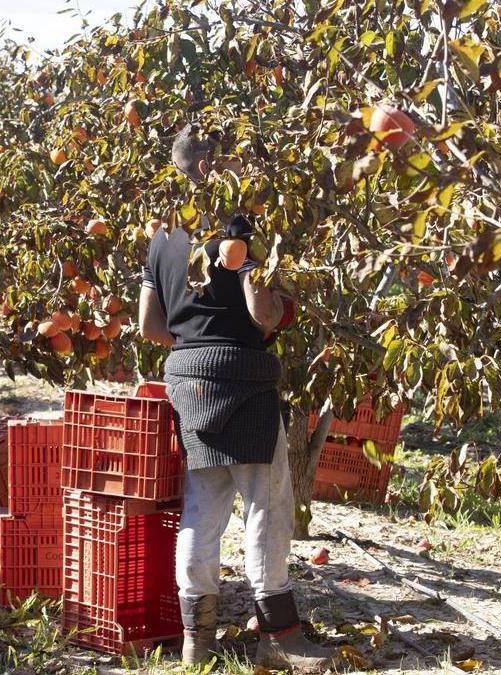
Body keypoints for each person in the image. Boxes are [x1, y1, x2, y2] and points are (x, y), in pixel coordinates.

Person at [138, 125, 345, 672]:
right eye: (229, 159)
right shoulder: (236, 229)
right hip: (242, 380)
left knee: (202, 508)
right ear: (210, 166)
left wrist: (194, 340)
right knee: (267, 507)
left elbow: (150, 326)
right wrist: (277, 299)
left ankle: (197, 641)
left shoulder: (162, 235)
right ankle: (279, 635)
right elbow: (263, 314)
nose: (239, 168)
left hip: (187, 378)